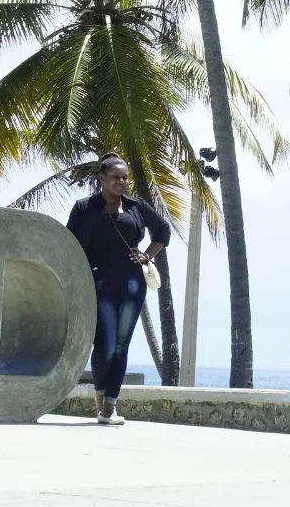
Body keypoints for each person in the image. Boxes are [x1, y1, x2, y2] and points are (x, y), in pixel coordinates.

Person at [66, 153, 170, 426]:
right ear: (101, 178)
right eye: (115, 177)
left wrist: (147, 255)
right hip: (99, 281)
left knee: (122, 345)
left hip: (132, 283)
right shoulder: (84, 208)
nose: (121, 182)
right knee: (105, 344)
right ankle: (101, 401)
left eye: (125, 178)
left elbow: (162, 230)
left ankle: (110, 407)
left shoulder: (135, 206)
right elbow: (68, 243)